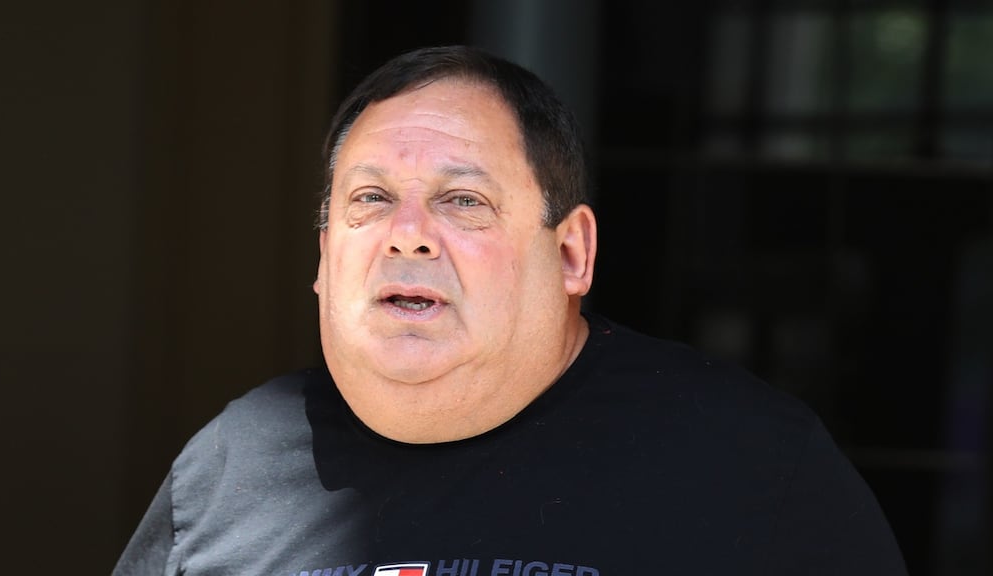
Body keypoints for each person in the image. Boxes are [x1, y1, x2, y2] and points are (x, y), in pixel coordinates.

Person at [114, 45, 907, 576]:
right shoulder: (228, 469)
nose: (409, 236)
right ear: (324, 258)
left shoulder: (755, 467)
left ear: (571, 255)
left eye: (463, 201)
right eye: (371, 199)